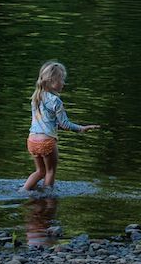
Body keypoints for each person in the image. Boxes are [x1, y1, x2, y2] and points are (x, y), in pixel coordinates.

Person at [22, 60, 99, 192]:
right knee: (50, 171)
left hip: (32, 141)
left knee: (40, 171)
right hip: (46, 142)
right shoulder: (56, 101)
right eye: (62, 80)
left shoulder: (36, 98)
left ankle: (23, 191)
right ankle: (48, 197)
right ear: (52, 81)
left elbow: (48, 123)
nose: (63, 83)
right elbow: (64, 124)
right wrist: (81, 128)